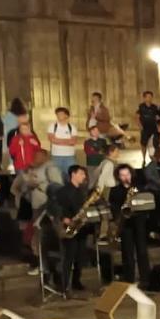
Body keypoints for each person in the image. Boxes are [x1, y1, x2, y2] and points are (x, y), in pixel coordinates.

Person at [109, 164, 152, 288]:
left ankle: (145, 279)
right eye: (122, 175)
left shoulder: (139, 188)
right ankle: (129, 279)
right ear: (118, 176)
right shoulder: (115, 190)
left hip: (139, 221)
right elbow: (114, 207)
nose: (125, 177)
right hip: (125, 223)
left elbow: (146, 203)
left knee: (142, 251)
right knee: (127, 252)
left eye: (127, 174)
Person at [53, 165, 90, 293]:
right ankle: (64, 284)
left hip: (80, 227)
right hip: (68, 227)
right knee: (68, 256)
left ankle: (76, 281)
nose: (84, 176)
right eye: (81, 174)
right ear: (73, 174)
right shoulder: (62, 191)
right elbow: (56, 207)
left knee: (80, 256)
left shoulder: (82, 191)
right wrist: (64, 218)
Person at [48, 107, 78, 181]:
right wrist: (67, 141)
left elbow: (73, 142)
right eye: (57, 114)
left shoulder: (72, 127)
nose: (58, 115)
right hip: (56, 155)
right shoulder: (52, 126)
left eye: (61, 114)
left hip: (69, 156)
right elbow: (52, 140)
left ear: (66, 116)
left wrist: (58, 141)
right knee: (56, 177)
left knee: (70, 176)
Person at [136, 91, 160, 166]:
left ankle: (155, 158)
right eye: (148, 96)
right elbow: (137, 117)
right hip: (145, 128)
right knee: (143, 144)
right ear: (144, 98)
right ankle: (144, 159)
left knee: (155, 143)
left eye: (151, 96)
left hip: (153, 128)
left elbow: (157, 117)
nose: (149, 98)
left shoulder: (154, 107)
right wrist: (140, 126)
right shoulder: (141, 106)